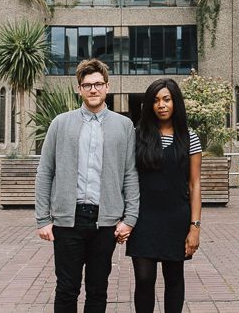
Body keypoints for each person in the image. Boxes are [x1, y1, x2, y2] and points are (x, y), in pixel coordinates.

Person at [35, 58, 140, 313]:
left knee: (97, 289)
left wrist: (130, 218)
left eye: (98, 84)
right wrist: (42, 219)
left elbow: (130, 173)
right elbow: (45, 171)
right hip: (67, 221)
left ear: (107, 86)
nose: (93, 89)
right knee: (66, 288)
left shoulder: (124, 126)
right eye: (87, 85)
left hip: (105, 222)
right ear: (78, 89)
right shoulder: (60, 123)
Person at [124, 78, 202, 313]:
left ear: (175, 102)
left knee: (174, 279)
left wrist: (195, 227)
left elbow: (195, 184)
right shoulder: (137, 136)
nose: (162, 105)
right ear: (149, 105)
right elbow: (127, 177)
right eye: (156, 100)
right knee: (144, 279)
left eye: (167, 99)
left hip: (176, 219)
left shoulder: (190, 137)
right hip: (143, 219)